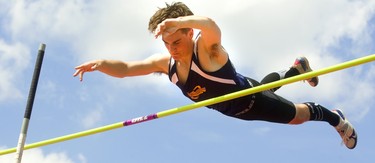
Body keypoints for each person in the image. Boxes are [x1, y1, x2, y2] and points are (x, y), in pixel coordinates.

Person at [73, 2, 357, 149]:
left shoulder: (207, 49)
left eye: (177, 40)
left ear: (188, 31)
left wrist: (179, 20)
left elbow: (211, 25)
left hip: (253, 103)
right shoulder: (166, 64)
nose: (172, 49)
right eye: (167, 43)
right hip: (238, 100)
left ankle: (335, 118)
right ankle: (296, 69)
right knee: (265, 85)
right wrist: (101, 63)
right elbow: (126, 69)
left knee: (297, 117)